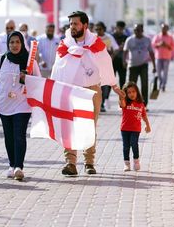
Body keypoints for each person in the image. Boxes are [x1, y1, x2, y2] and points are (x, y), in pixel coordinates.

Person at [50, 11, 125, 176]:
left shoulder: (95, 43)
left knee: (89, 127)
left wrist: (113, 85)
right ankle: (70, 163)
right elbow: (58, 67)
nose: (72, 27)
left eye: (75, 24)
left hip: (92, 89)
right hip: (70, 90)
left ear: (84, 25)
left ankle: (89, 162)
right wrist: (54, 88)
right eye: (71, 24)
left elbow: (106, 63)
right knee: (69, 126)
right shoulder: (65, 45)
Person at [0, 31, 41, 181]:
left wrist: (27, 78)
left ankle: (19, 166)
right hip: (4, 103)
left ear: (22, 43)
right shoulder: (0, 59)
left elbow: (38, 82)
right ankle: (11, 165)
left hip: (22, 104)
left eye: (18, 42)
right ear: (8, 44)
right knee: (9, 135)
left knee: (19, 134)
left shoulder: (30, 61)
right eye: (12, 42)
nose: (15, 45)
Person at [119, 81, 151, 171]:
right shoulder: (125, 102)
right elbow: (122, 104)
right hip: (125, 128)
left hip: (136, 129)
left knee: (134, 143)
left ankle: (136, 161)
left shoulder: (141, 104)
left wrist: (147, 125)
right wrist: (121, 97)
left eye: (133, 91)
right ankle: (126, 163)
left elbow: (144, 115)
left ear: (137, 92)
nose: (131, 94)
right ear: (126, 94)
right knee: (126, 146)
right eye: (129, 92)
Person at [123, 24, 156, 107]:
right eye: (135, 30)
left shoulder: (147, 40)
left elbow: (151, 53)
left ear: (142, 30)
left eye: (138, 30)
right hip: (132, 65)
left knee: (144, 85)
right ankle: (130, 103)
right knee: (131, 86)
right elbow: (125, 51)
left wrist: (154, 66)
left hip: (143, 65)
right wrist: (124, 61)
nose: (137, 32)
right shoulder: (129, 39)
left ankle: (144, 105)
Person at [94, 21, 119, 112]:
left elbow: (116, 48)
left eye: (99, 29)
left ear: (104, 29)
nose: (97, 31)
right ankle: (96, 104)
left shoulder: (109, 38)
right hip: (94, 66)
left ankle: (102, 104)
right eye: (96, 29)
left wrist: (111, 57)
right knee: (95, 85)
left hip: (104, 65)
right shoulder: (93, 37)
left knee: (104, 85)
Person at [152, 23, 174, 92]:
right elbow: (153, 44)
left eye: (165, 28)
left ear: (167, 29)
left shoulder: (170, 37)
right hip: (158, 57)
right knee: (158, 72)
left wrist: (167, 45)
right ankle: (161, 82)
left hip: (167, 57)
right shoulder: (157, 36)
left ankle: (163, 85)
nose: (163, 29)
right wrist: (159, 44)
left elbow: (173, 47)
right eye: (162, 28)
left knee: (165, 72)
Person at [111, 20, 129, 90]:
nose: (120, 30)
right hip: (113, 61)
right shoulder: (111, 37)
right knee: (110, 81)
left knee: (122, 80)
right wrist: (119, 48)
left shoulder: (126, 37)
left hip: (122, 61)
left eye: (122, 29)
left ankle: (122, 96)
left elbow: (127, 50)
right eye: (119, 28)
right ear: (116, 27)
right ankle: (106, 98)